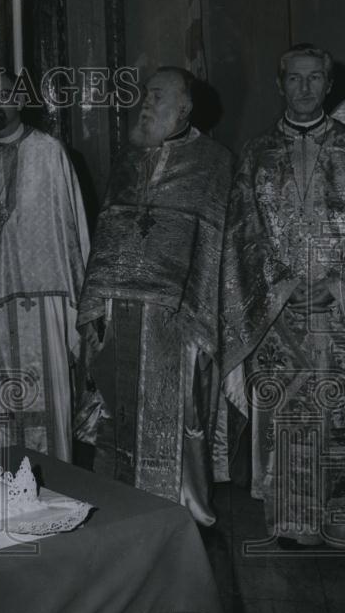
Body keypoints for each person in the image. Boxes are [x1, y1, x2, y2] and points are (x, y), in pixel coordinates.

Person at [221, 44, 345, 548]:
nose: (304, 88)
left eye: (314, 79)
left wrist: (339, 283)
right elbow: (243, 234)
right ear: (280, 85)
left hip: (344, 309)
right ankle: (294, 520)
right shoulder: (256, 153)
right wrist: (282, 284)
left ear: (329, 86)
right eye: (295, 79)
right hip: (278, 310)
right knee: (289, 413)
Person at [77, 67, 233, 525]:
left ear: (184, 108)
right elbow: (109, 233)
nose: (146, 102)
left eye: (158, 96)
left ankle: (177, 515)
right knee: (117, 409)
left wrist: (199, 312)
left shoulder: (213, 161)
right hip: (120, 310)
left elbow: (214, 245)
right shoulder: (129, 158)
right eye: (145, 94)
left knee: (178, 413)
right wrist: (98, 302)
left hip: (176, 314)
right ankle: (122, 508)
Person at [0, 70, 90, 459]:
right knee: (4, 404)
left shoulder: (49, 151)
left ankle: (61, 479)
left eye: (2, 95)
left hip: (46, 297)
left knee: (50, 398)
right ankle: (8, 484)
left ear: (19, 100)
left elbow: (72, 224)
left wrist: (79, 298)